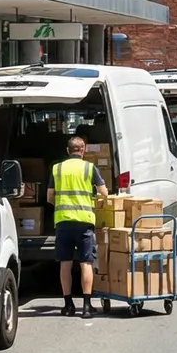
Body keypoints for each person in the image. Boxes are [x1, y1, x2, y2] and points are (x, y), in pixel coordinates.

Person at [49, 136, 109, 318]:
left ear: (68, 151)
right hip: (84, 222)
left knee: (65, 264)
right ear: (83, 150)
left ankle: (68, 305)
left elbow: (49, 197)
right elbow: (104, 193)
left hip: (63, 222)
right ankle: (87, 306)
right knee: (86, 263)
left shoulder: (57, 168)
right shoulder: (89, 168)